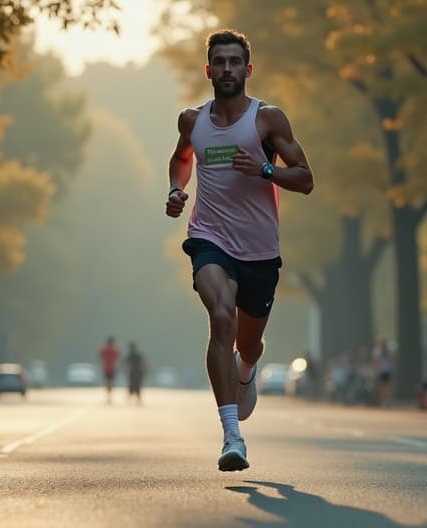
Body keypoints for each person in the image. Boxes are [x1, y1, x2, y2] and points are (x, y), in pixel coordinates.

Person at [165, 29, 313, 472]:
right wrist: (175, 190)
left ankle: (246, 368)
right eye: (219, 62)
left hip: (260, 251)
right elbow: (182, 158)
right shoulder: (193, 121)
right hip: (209, 236)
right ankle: (232, 435)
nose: (226, 69)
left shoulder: (268, 120)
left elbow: (305, 178)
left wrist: (267, 168)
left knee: (248, 342)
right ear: (207, 69)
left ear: (247, 70)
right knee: (221, 317)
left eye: (234, 62)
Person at [372, 338, 394, 407]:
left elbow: (392, 360)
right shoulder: (377, 351)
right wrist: (376, 370)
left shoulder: (389, 351)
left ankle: (387, 401)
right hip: (380, 371)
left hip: (387, 371)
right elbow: (376, 361)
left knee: (387, 387)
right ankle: (381, 401)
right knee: (380, 387)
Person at [98, 337, 120, 404]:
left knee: (107, 382)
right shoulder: (115, 349)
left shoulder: (104, 349)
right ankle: (110, 395)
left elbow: (100, 356)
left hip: (106, 368)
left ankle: (108, 395)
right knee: (111, 382)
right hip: (112, 368)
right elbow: (117, 357)